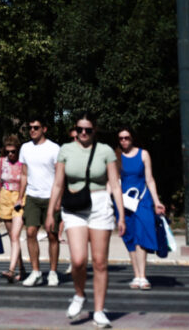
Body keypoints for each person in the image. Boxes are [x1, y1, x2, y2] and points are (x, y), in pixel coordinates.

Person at [46, 111, 124, 329]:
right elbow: (58, 184)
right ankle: (79, 295)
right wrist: (50, 212)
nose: (83, 133)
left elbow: (115, 185)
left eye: (88, 130)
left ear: (94, 130)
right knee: (78, 260)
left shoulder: (105, 151)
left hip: (100, 204)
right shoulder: (66, 150)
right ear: (75, 130)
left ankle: (99, 311)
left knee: (100, 262)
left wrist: (122, 215)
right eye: (79, 129)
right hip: (74, 206)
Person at [115, 126, 165, 290]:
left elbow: (150, 179)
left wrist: (157, 202)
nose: (124, 141)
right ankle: (136, 275)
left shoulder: (143, 154)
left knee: (141, 236)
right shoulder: (116, 157)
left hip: (142, 200)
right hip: (123, 202)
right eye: (121, 138)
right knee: (129, 237)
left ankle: (143, 276)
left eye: (126, 137)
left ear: (132, 138)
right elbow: (112, 181)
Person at [17, 116, 61, 287]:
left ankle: (52, 272)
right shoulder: (25, 148)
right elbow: (23, 174)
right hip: (32, 197)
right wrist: (20, 197)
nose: (33, 130)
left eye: (36, 127)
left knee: (52, 235)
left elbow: (60, 175)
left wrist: (58, 200)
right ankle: (36, 272)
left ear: (44, 129)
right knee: (30, 233)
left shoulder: (54, 148)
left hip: (50, 197)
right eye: (30, 127)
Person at [0, 134, 25, 283]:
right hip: (4, 197)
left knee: (15, 235)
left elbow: (25, 181)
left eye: (13, 151)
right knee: (12, 237)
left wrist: (21, 198)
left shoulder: (23, 162)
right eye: (8, 151)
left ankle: (11, 270)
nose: (10, 154)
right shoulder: (1, 161)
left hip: (19, 198)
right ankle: (21, 268)